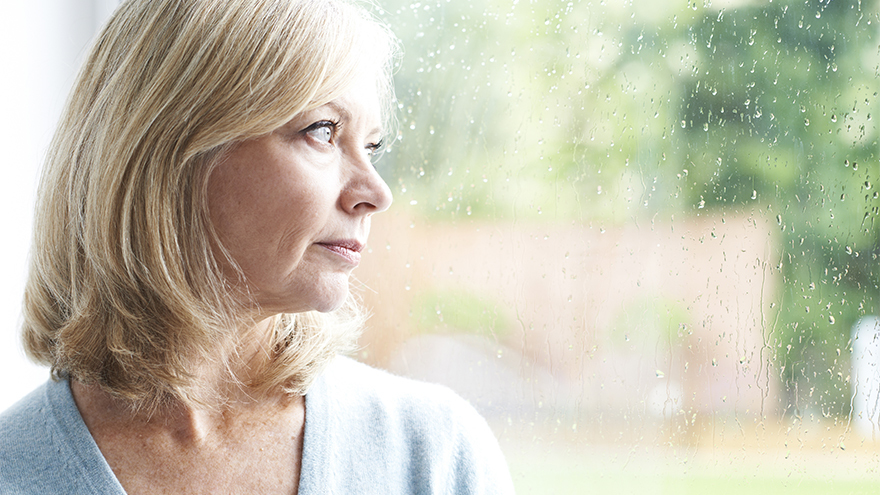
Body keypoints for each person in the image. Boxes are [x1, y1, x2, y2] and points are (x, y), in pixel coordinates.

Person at [0, 0, 515, 493]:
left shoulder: (433, 454)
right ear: (168, 152)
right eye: (323, 132)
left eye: (372, 146)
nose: (377, 193)